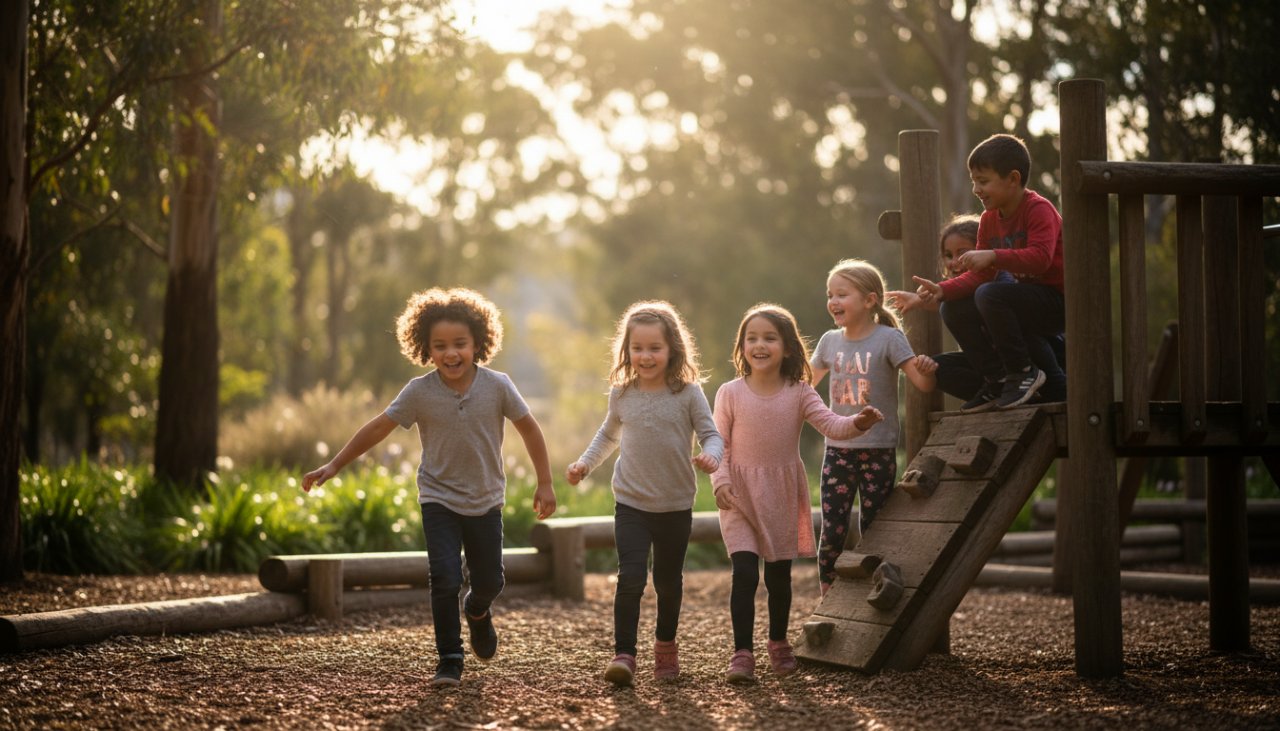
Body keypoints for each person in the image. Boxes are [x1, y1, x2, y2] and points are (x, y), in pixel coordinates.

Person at [301, 287, 557, 689]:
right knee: (444, 576)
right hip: (438, 497)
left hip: (486, 498)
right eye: (440, 346)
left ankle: (477, 611)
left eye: (459, 344)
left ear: (478, 342)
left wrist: (544, 481)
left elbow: (530, 428)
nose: (450, 353)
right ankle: (450, 660)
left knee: (490, 581)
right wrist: (335, 464)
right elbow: (378, 427)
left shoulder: (498, 385)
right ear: (425, 347)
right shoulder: (419, 392)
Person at [712, 304, 884, 684]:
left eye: (769, 338)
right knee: (743, 573)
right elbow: (718, 443)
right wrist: (719, 481)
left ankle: (777, 641)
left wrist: (858, 421)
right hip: (738, 495)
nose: (760, 344)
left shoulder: (800, 392)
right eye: (752, 338)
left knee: (778, 577)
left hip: (780, 496)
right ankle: (742, 653)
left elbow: (831, 424)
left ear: (787, 348)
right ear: (741, 347)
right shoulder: (730, 393)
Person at [566, 300, 724, 687]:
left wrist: (711, 456)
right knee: (631, 577)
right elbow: (608, 435)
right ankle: (625, 655)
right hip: (631, 502)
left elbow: (711, 434)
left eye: (655, 348)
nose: (646, 356)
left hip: (674, 505)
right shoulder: (622, 393)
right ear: (627, 350)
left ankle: (665, 648)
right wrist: (585, 464)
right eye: (638, 348)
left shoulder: (688, 393)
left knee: (668, 582)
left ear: (672, 349)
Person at [911, 134, 1066, 412]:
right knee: (953, 309)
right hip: (1025, 301)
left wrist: (993, 255)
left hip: (1057, 302)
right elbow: (980, 276)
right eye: (973, 181)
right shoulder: (989, 220)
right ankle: (998, 378)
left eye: (983, 181)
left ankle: (1024, 372)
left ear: (1013, 179)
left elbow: (1041, 259)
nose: (975, 189)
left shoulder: (1038, 209)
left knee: (991, 294)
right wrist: (943, 290)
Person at [811, 259, 937, 596]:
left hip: (878, 448)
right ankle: (828, 593)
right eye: (830, 294)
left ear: (869, 300)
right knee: (833, 527)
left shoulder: (889, 339)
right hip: (837, 448)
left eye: (842, 294)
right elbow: (804, 385)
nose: (833, 301)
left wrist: (926, 367)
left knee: (875, 524)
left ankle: (875, 586)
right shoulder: (828, 342)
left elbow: (923, 385)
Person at [888, 215, 1066, 402]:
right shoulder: (958, 299)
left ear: (981, 252)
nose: (953, 261)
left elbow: (977, 303)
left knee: (985, 310)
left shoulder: (999, 284)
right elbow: (950, 302)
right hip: (1001, 367)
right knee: (937, 369)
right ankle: (999, 387)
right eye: (948, 255)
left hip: (1035, 358)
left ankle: (1048, 385)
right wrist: (917, 299)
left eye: (962, 252)